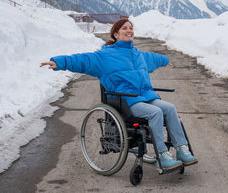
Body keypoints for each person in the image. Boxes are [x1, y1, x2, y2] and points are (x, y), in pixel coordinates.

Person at [40, 18, 198, 170]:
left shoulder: (138, 54)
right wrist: (59, 62)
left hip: (146, 97)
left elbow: (153, 58)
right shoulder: (104, 56)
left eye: (131, 28)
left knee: (170, 108)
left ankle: (182, 150)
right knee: (156, 112)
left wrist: (164, 60)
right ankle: (163, 156)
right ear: (116, 34)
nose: (129, 30)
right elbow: (83, 60)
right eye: (125, 28)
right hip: (128, 102)